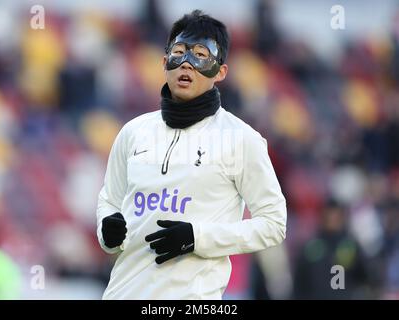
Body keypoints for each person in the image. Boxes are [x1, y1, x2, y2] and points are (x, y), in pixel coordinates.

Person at [96, 10, 287, 300]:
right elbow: (110, 200)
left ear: (220, 72)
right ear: (164, 63)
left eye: (201, 55)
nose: (187, 64)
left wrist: (198, 238)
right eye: (179, 53)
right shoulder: (133, 132)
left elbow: (273, 224)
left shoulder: (241, 139)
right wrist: (106, 229)